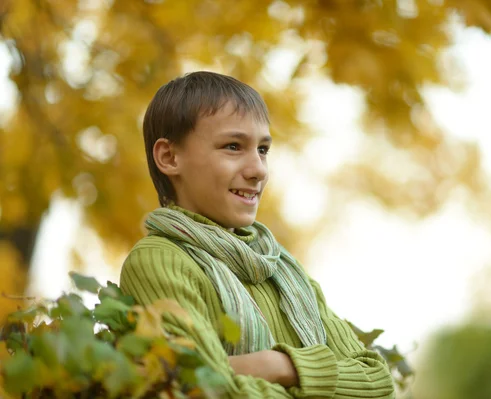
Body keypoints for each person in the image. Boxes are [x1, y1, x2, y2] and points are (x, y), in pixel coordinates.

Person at [119, 71, 395, 398]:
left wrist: (278, 366)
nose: (259, 170)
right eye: (233, 146)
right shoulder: (159, 262)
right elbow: (211, 389)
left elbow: (378, 384)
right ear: (170, 157)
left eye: (263, 149)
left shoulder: (282, 271)